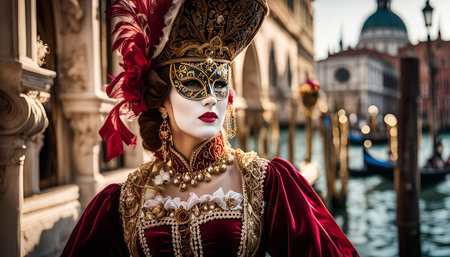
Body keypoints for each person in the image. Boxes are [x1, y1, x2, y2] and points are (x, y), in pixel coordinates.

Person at [61, 0, 359, 256]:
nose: (210, 98)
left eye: (219, 84)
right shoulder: (125, 199)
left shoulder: (264, 183)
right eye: (191, 82)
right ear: (160, 99)